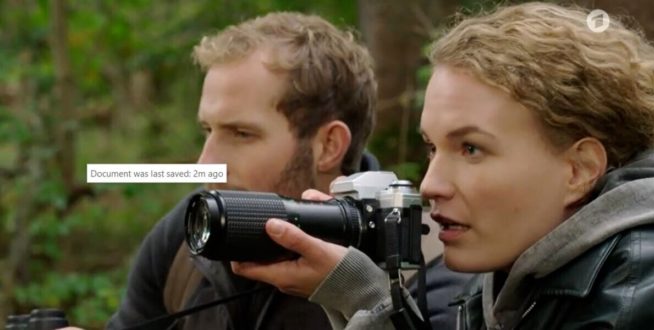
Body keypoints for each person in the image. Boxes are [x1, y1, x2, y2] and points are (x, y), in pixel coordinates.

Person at [232, 2, 654, 329]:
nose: (432, 184)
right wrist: (365, 299)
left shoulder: (640, 291)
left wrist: (370, 301)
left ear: (578, 170)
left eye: (471, 149)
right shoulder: (512, 275)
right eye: (432, 148)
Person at [105, 12, 468, 330]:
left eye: (241, 134)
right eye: (207, 130)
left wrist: (357, 293)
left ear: (328, 146)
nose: (205, 162)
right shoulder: (189, 237)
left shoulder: (430, 264)